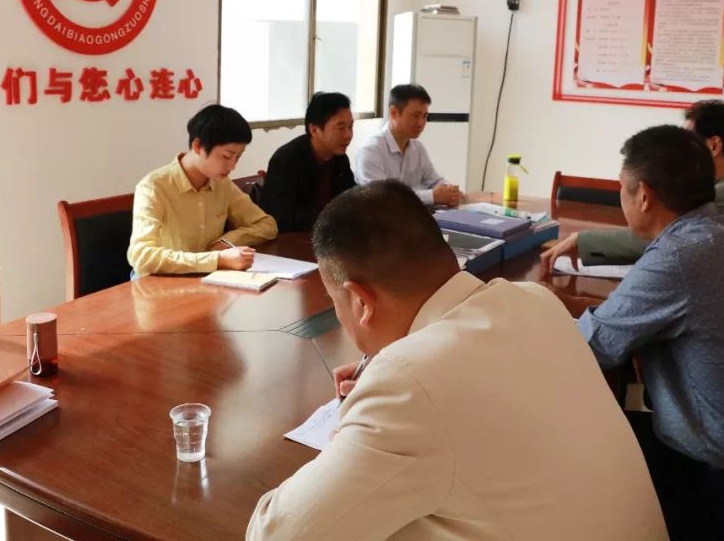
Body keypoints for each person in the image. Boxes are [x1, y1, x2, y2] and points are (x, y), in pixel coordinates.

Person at [247, 180, 667, 541]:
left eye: (334, 302)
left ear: (360, 301)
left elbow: (276, 533)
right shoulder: (535, 300)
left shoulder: (407, 384)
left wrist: (363, 412)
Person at [575, 125, 724, 541]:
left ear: (643, 196)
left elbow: (591, 346)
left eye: (623, 188)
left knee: (584, 447)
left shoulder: (681, 255)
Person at [541, 99, 724, 270]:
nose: (681, 150)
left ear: (713, 146)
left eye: (688, 141)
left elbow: (664, 239)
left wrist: (582, 241)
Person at [127, 104, 277, 276]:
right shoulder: (154, 186)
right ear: (198, 146)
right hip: (159, 281)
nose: (233, 166)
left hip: (207, 278)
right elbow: (142, 256)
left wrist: (225, 241)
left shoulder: (221, 184)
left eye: (238, 157)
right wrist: (216, 259)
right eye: (227, 156)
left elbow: (267, 225)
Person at [260, 92, 356, 233]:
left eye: (351, 127)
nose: (348, 135)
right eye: (340, 128)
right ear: (314, 130)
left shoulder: (340, 159)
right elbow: (281, 217)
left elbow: (351, 199)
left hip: (329, 235)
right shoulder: (286, 160)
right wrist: (334, 219)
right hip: (293, 240)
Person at [354, 84, 462, 206]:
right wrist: (432, 196)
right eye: (415, 116)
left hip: (414, 215)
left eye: (425, 116)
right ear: (394, 112)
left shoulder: (418, 148)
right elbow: (382, 197)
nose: (421, 123)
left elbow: (434, 180)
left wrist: (450, 191)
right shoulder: (371, 150)